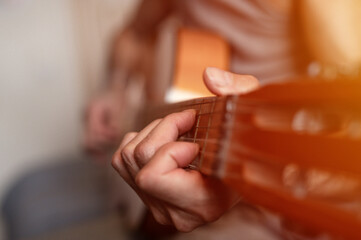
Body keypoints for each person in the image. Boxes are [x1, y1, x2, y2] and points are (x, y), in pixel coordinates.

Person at [85, 0, 361, 238]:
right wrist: (115, 89)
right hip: (186, 158)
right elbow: (134, 35)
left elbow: (350, 114)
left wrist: (267, 171)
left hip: (268, 192)